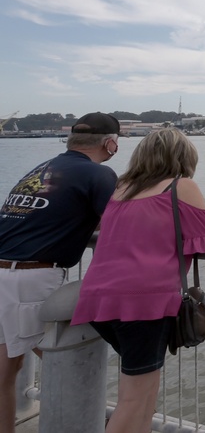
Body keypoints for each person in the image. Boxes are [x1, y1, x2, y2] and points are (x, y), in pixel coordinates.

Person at [70, 128, 205, 433]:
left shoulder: (122, 187)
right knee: (134, 399)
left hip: (99, 300)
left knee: (146, 391)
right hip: (144, 304)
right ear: (184, 157)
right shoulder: (180, 186)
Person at [0, 112, 120, 433]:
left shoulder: (42, 168)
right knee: (68, 353)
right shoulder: (99, 174)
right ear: (110, 144)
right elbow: (124, 222)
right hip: (32, 277)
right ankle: (93, 416)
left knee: (5, 372)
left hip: (4, 271)